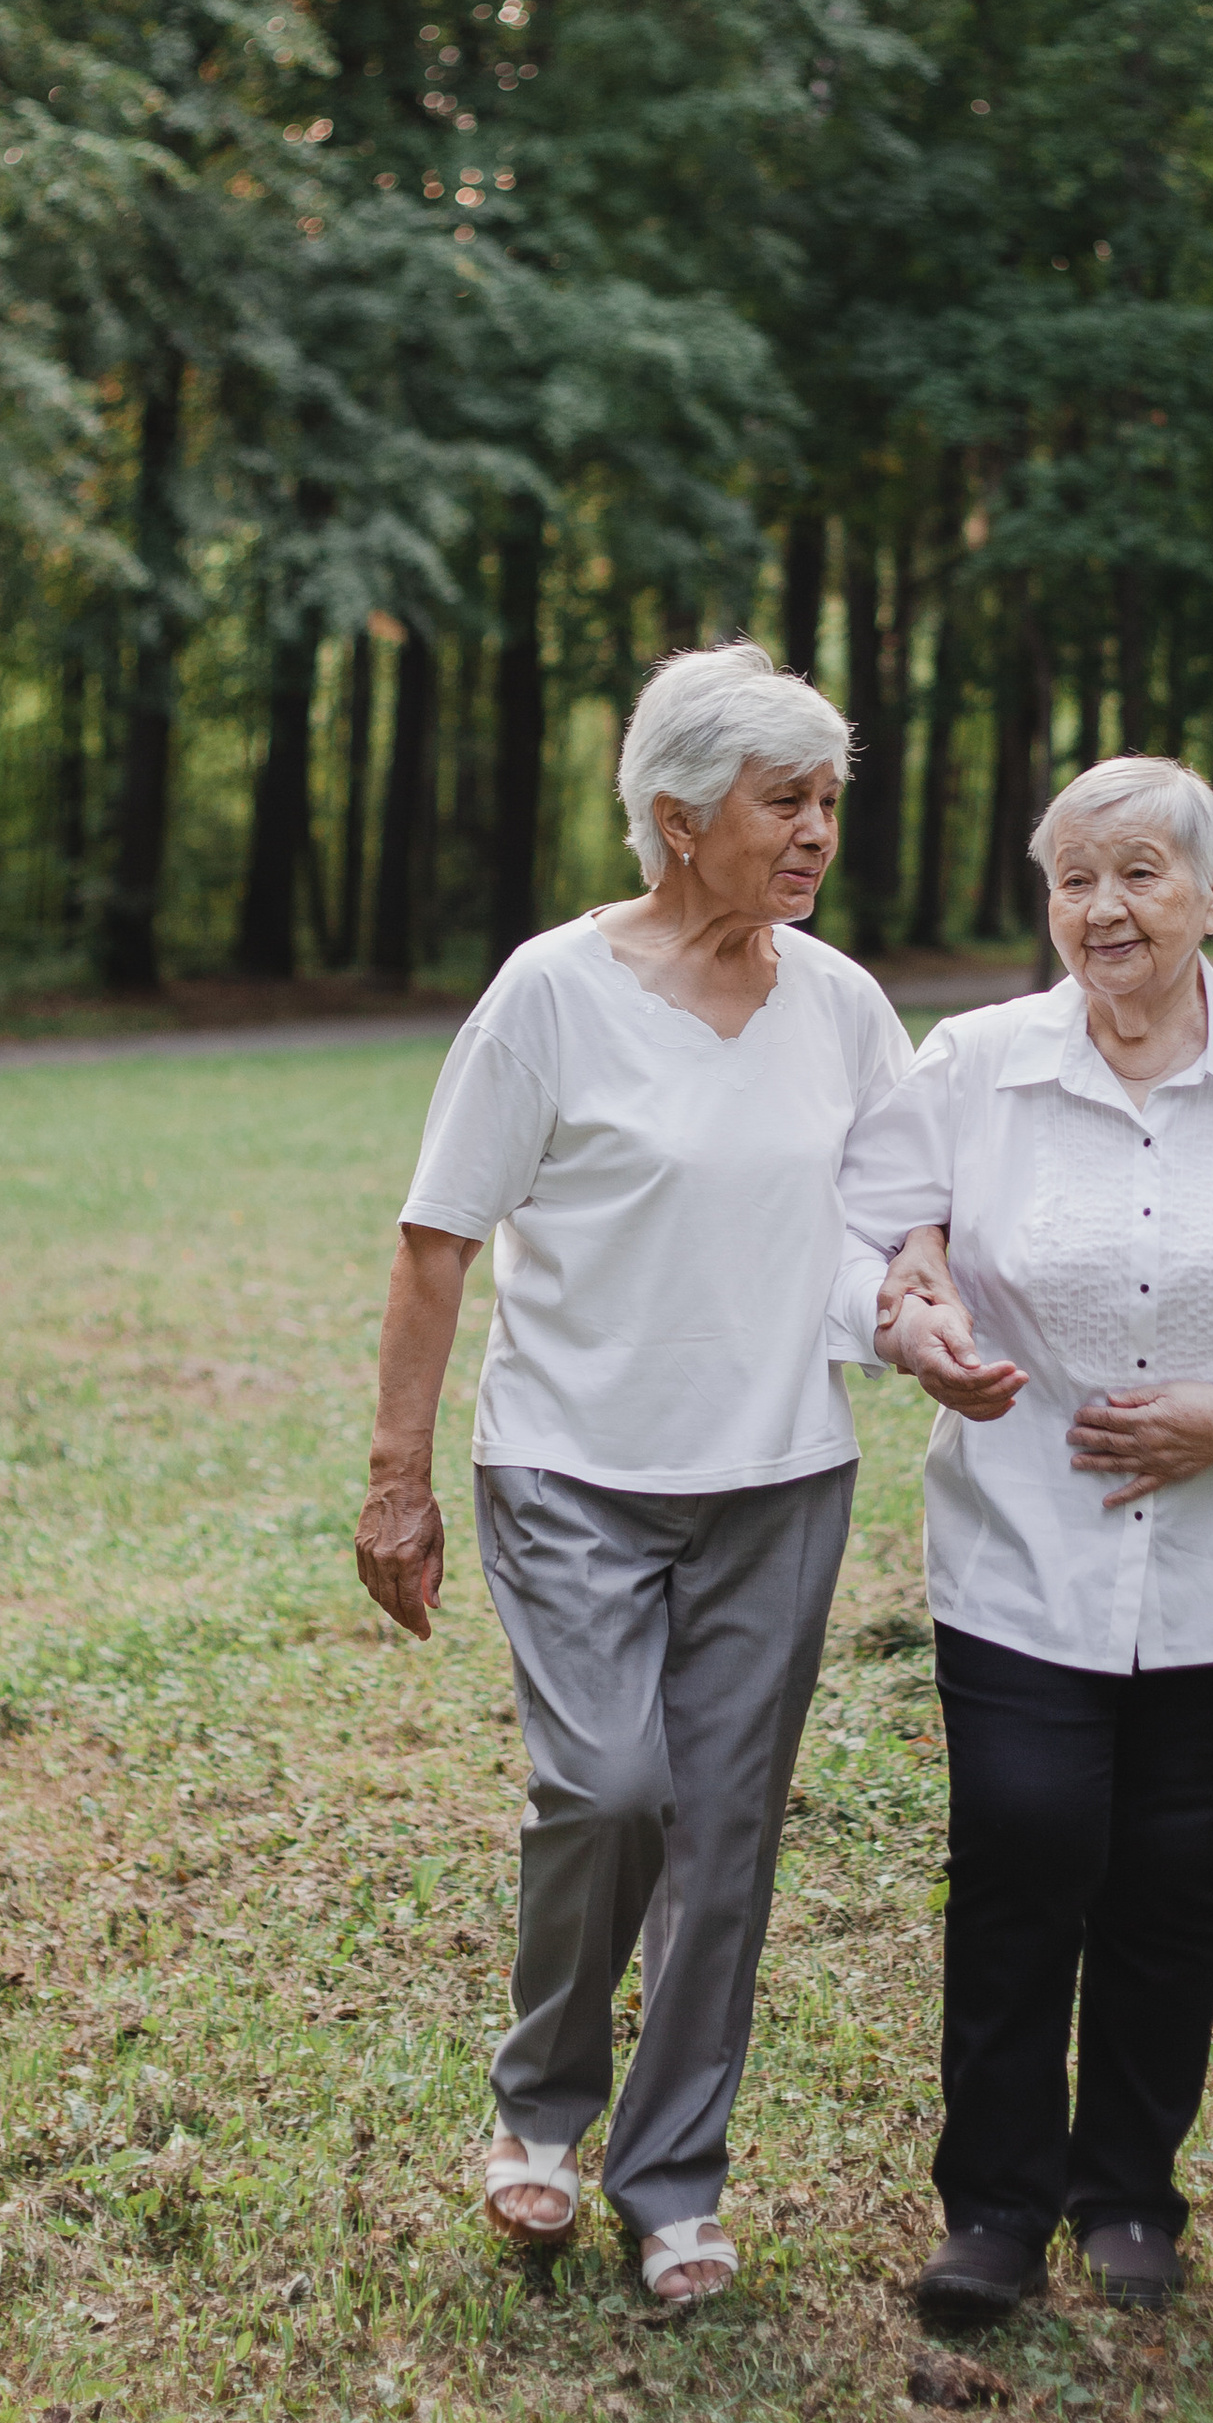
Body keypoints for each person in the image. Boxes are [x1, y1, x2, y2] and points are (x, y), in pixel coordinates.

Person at [355, 641, 909, 2307]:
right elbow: (437, 1240)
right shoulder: (550, 994)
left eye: (829, 801)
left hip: (780, 1476)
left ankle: (674, 2182)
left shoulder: (845, 1003)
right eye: (783, 801)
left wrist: (930, 1310)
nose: (815, 833)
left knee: (725, 1839)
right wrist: (399, 1479)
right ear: (678, 818)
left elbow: (901, 1219)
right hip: (575, 1469)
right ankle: (537, 2116)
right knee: (611, 1791)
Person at [844, 754, 1213, 2319]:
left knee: (1170, 1877)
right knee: (1024, 1851)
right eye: (1076, 879)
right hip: (1022, 1540)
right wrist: (913, 1292)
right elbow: (872, 1222)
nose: (1106, 909)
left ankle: (1132, 2195)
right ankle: (997, 2206)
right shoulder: (975, 1062)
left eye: (1144, 873)